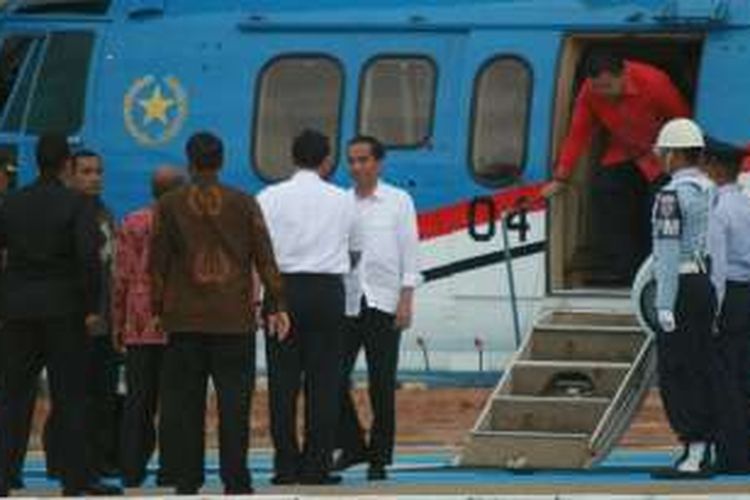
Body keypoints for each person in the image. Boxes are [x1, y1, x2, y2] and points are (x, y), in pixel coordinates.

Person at [151, 132, 288, 495]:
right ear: (222, 160)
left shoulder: (169, 204)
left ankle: (187, 478)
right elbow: (265, 257)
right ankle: (236, 479)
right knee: (234, 406)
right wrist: (277, 303)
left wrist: (156, 309)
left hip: (185, 320)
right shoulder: (244, 203)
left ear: (190, 162)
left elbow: (158, 264)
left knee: (185, 406)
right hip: (233, 320)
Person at [0, 134, 120, 496]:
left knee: (14, 395)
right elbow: (88, 259)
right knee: (70, 396)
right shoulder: (77, 204)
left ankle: (5, 475)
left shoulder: (12, 203)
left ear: (35, 161)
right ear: (67, 164)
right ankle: (75, 478)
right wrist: (90, 307)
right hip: (65, 309)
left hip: (18, 308)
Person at [258, 129, 359, 485]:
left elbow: (260, 250)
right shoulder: (343, 199)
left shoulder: (269, 197)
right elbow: (355, 249)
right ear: (326, 159)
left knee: (282, 382)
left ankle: (285, 466)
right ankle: (317, 466)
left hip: (281, 291)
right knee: (324, 383)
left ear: (292, 157)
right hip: (326, 292)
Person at [544, 50, 691, 285]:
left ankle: (658, 273)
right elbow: (578, 133)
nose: (603, 94)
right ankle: (626, 271)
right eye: (597, 89)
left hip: (663, 155)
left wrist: (684, 163)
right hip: (625, 152)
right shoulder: (590, 91)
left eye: (608, 87)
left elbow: (683, 120)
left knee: (658, 207)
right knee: (606, 193)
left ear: (623, 74)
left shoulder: (654, 83)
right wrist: (561, 177)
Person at [333, 136, 420, 480]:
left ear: (379, 162)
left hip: (384, 301)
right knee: (334, 378)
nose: (357, 167)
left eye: (363, 160)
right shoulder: (340, 203)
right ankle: (352, 444)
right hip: (348, 302)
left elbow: (410, 251)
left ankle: (379, 457)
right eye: (351, 161)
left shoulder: (398, 201)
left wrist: (406, 298)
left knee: (381, 382)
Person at [651, 118, 715, 477]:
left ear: (674, 154)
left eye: (663, 152)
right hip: (703, 283)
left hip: (681, 288)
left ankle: (693, 451)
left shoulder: (671, 196)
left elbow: (667, 251)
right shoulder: (708, 190)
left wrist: (663, 303)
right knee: (702, 367)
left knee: (677, 371)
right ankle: (703, 448)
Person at [113, 166, 185, 487]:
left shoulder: (132, 222)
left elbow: (122, 277)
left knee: (138, 401)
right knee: (174, 401)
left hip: (138, 323)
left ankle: (131, 468)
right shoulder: (187, 223)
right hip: (177, 322)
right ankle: (170, 469)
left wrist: (118, 321)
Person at [67, 149, 121, 478]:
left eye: (98, 171)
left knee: (103, 395)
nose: (94, 178)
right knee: (76, 397)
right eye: (86, 172)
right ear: (71, 175)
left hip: (106, 322)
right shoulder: (68, 214)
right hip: (77, 321)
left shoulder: (104, 213)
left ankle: (97, 461)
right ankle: (72, 462)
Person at [704, 138, 750, 473]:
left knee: (725, 380)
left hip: (731, 297)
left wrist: (714, 312)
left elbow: (717, 267)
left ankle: (733, 457)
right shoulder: (747, 205)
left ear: (717, 168)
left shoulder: (718, 210)